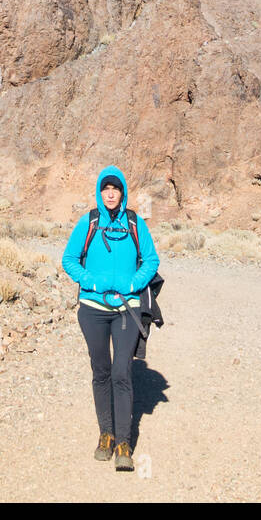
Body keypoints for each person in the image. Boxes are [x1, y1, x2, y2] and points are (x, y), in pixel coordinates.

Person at [61, 165, 159, 471]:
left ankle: (123, 442)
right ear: (100, 192)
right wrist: (92, 281)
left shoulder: (134, 222)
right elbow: (68, 260)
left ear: (123, 192)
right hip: (93, 310)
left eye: (116, 189)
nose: (111, 194)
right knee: (101, 371)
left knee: (121, 372)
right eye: (106, 189)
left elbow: (152, 260)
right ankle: (105, 434)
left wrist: (133, 285)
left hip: (126, 310)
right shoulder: (89, 221)